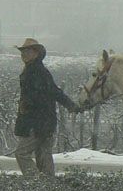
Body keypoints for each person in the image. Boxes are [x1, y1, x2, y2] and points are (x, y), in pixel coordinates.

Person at [13, 38, 80, 176]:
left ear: (36, 53)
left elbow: (52, 92)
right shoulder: (35, 70)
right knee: (43, 155)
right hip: (44, 121)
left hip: (38, 122)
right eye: (22, 51)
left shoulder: (36, 71)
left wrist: (28, 104)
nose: (23, 54)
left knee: (22, 153)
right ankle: (48, 189)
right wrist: (70, 105)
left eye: (27, 51)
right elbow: (55, 92)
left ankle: (37, 183)